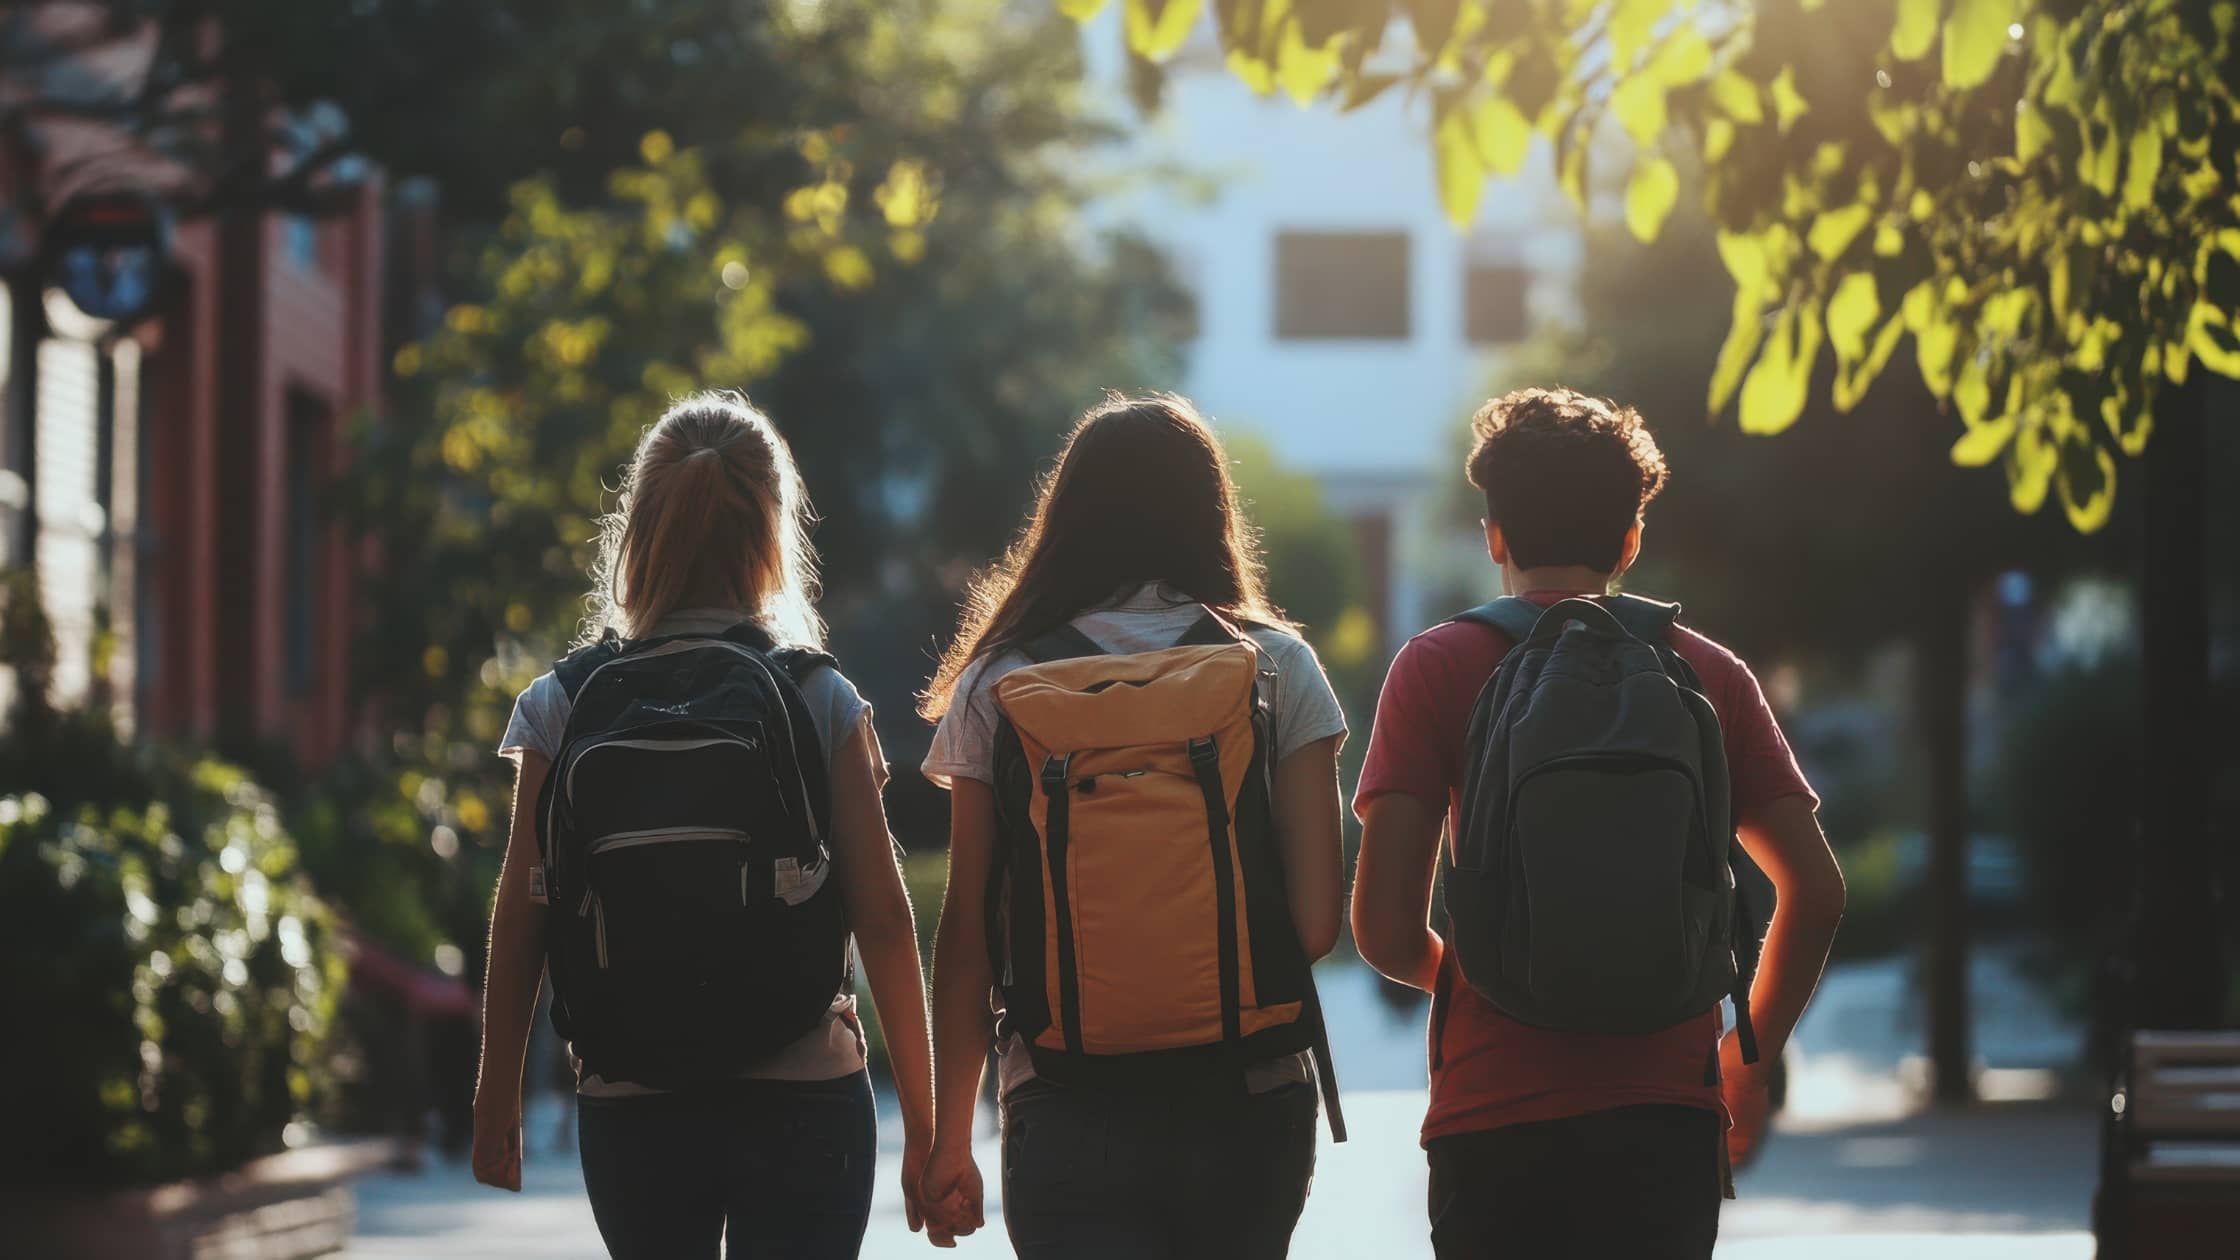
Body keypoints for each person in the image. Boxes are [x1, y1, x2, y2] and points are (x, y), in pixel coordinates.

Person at [1351, 387, 1847, 1259]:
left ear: (1494, 534)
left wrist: (1496, 979)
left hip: (1494, 1117)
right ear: (1631, 539)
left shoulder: (1434, 668)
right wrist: (1752, 1054)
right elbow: (1815, 887)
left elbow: (1387, 933)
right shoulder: (1708, 674)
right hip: (1664, 1117)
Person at [471, 392, 937, 1259]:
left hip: (632, 1099)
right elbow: (883, 918)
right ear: (772, 532)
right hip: (804, 1096)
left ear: (641, 527)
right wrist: (926, 1123)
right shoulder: (816, 696)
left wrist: (496, 1100)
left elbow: (522, 919)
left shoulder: (563, 705)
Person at [915, 394, 1348, 1258]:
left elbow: (967, 931)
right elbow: (1314, 925)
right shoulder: (1277, 666)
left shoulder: (999, 681)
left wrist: (946, 1140)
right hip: (1246, 1101)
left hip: (1068, 1103)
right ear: (1213, 513)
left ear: (1065, 521)